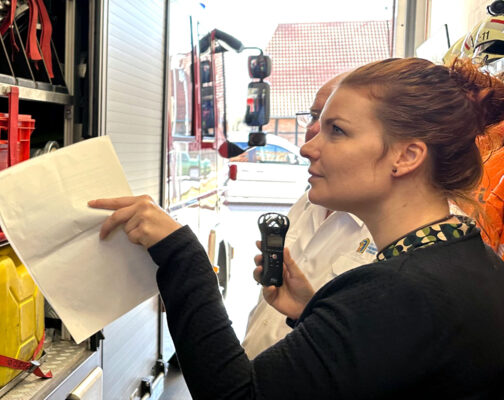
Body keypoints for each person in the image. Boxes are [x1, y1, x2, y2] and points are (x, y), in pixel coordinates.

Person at [89, 58, 504, 398]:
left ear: (407, 156)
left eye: (337, 131)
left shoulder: (400, 291)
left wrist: (181, 255)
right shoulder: (464, 261)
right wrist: (315, 313)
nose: (307, 146)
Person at [241, 71, 379, 359]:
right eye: (314, 116)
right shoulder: (310, 200)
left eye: (336, 128)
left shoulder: (404, 241)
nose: (306, 144)